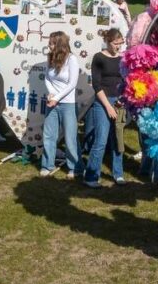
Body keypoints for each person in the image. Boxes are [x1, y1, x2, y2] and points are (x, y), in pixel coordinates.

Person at [79, 29, 125, 188]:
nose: (118, 47)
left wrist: (122, 100)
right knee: (101, 140)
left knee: (117, 139)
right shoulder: (99, 58)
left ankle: (118, 174)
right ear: (107, 41)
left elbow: (125, 81)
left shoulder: (122, 59)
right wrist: (108, 106)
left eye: (120, 43)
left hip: (119, 102)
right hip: (102, 102)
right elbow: (97, 85)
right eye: (115, 44)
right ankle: (91, 176)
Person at [40, 32, 80, 179]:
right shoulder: (50, 57)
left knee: (70, 137)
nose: (48, 45)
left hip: (67, 104)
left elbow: (72, 84)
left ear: (59, 45)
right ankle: (47, 165)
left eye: (51, 43)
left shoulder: (72, 59)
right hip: (52, 102)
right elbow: (47, 78)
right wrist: (51, 94)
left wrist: (57, 98)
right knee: (49, 135)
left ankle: (74, 167)